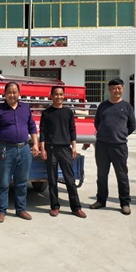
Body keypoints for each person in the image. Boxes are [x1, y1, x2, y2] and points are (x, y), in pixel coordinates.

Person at [0, 82, 39, 222]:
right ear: (5, 94)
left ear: (19, 93)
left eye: (14, 92)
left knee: (22, 182)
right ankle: (1, 210)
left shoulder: (25, 107)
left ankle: (21, 209)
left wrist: (35, 144)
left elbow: (32, 127)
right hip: (6, 149)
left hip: (24, 149)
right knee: (3, 182)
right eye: (9, 92)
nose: (12, 95)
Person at [90, 78, 136, 215]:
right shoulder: (103, 106)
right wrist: (104, 134)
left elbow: (132, 125)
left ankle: (125, 203)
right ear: (109, 90)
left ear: (123, 89)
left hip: (119, 146)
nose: (117, 90)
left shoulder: (127, 107)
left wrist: (121, 135)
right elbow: (97, 122)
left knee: (122, 176)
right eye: (114, 88)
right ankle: (101, 200)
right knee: (102, 175)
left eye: (119, 88)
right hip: (102, 146)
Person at [40, 86, 86, 218]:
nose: (59, 97)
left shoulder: (68, 112)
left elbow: (72, 129)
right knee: (52, 180)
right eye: (56, 94)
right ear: (51, 96)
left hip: (65, 148)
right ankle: (55, 206)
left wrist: (74, 146)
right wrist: (43, 148)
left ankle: (76, 207)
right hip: (51, 149)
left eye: (61, 94)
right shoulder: (46, 113)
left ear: (64, 95)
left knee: (70, 179)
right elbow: (42, 131)